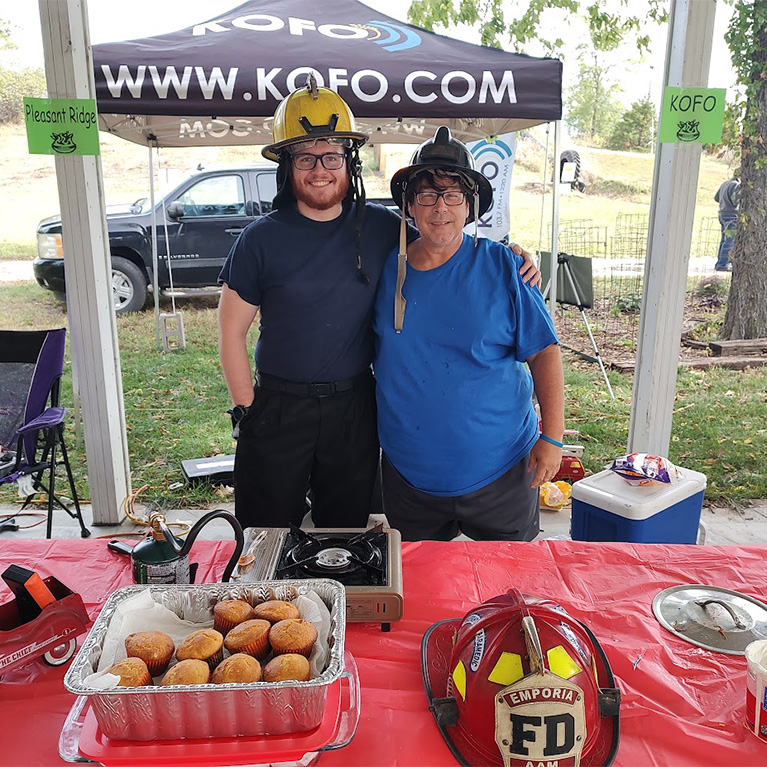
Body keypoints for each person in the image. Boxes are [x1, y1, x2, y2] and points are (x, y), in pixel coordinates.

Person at [218, 79, 540, 530]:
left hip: (354, 406)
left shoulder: (385, 227)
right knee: (263, 533)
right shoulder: (259, 239)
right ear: (285, 167)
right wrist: (247, 409)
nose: (319, 170)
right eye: (305, 158)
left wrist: (514, 254)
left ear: (348, 163)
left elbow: (444, 232)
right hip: (278, 405)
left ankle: (337, 603)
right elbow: (230, 331)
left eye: (331, 157)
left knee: (347, 532)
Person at [373, 126, 564, 542]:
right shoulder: (380, 270)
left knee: (509, 594)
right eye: (427, 195)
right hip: (410, 477)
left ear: (470, 205)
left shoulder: (506, 268)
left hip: (503, 472)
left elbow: (545, 351)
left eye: (453, 195)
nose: (440, 208)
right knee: (418, 594)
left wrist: (552, 436)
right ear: (409, 205)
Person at [714, 170, 740, 272]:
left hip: (722, 214)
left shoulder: (725, 183)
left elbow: (716, 198)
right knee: (730, 241)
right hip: (732, 215)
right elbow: (735, 201)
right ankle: (723, 264)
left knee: (724, 240)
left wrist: (723, 201)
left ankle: (720, 262)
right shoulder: (736, 185)